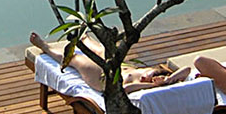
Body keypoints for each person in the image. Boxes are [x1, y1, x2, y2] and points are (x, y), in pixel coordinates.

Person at [28, 32, 193, 92]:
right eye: (149, 75)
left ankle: (45, 47)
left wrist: (154, 85)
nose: (145, 78)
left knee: (76, 59)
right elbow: (186, 69)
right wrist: (169, 79)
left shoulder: (144, 87)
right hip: (118, 67)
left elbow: (126, 88)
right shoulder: (164, 77)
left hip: (103, 79)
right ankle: (85, 37)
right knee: (104, 51)